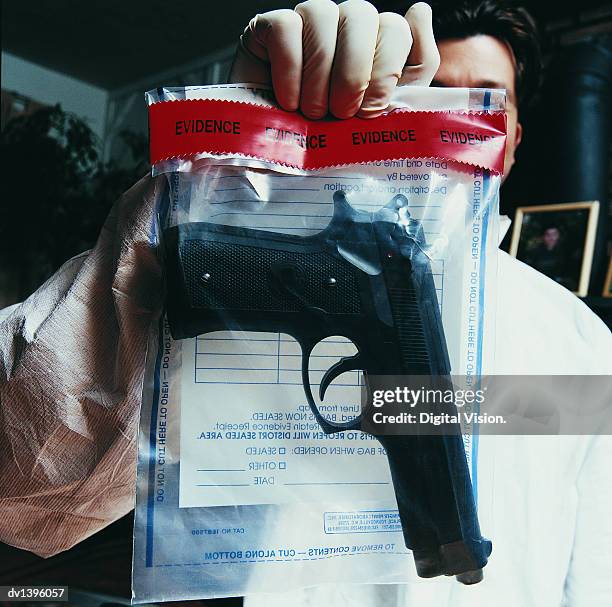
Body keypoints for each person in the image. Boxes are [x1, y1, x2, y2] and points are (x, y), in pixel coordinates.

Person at [0, 1, 610, 606]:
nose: (454, 122)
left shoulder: (585, 346)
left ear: (513, 138)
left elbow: (595, 575)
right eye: (433, 101)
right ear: (390, 114)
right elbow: (30, 487)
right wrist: (229, 184)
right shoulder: (295, 230)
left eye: (484, 104)